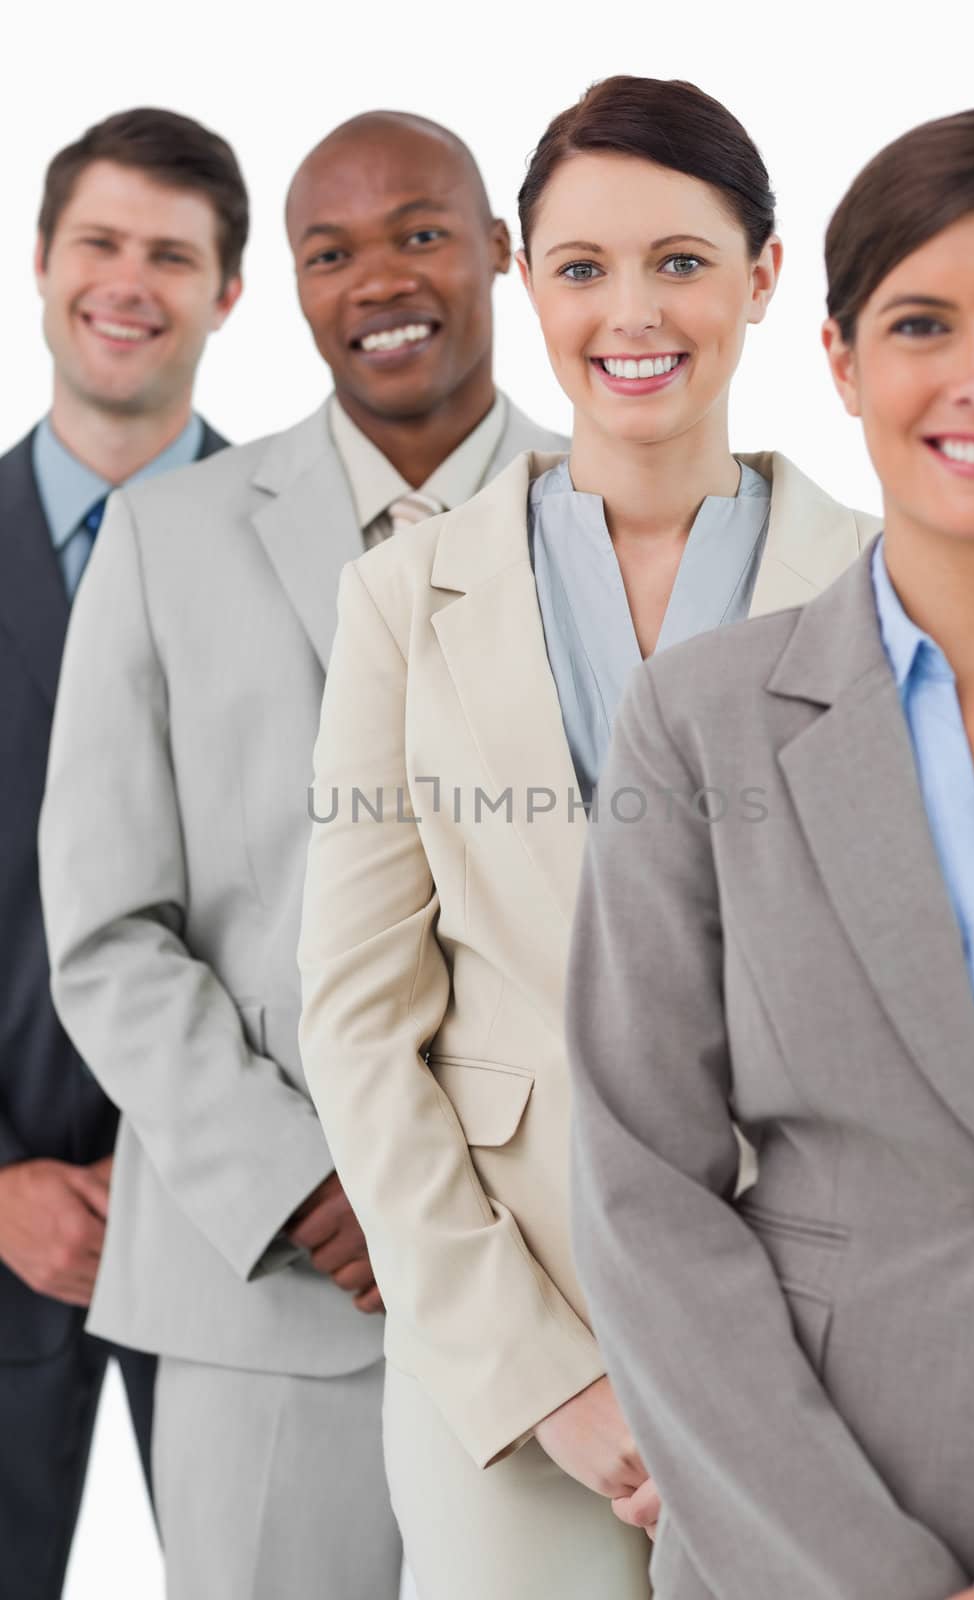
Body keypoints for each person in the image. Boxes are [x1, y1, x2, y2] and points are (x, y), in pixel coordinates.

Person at [296, 75, 877, 1600]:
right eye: (580, 268)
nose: (631, 311)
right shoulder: (407, 602)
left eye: (681, 262)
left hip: (826, 1349)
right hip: (508, 1335)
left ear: (762, 277)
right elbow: (360, 1025)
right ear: (522, 280)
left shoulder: (888, 596)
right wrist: (538, 1373)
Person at [39, 110, 563, 1600]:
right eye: (332, 250)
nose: (379, 279)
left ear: (499, 255)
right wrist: (305, 1186)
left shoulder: (613, 514)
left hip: (565, 1285)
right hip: (273, 1302)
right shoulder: (166, 539)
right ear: (293, 284)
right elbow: (106, 928)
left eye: (420, 232)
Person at [565, 104, 974, 1600]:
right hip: (786, 1543)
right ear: (843, 361)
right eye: (924, 321)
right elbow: (640, 1185)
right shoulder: (702, 717)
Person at [0, 106, 243, 1600]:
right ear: (39, 265)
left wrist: (250, 1172)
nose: (130, 280)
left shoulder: (336, 557)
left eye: (174, 252)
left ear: (230, 294)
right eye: (101, 241)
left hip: (252, 1235)